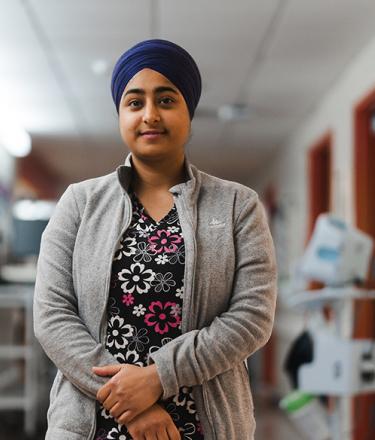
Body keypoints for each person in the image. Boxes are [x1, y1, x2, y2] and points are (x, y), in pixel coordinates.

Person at [33, 39, 277, 440]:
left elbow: (251, 317)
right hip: (91, 423)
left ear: (189, 112)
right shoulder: (79, 203)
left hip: (203, 426)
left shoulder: (237, 206)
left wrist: (157, 378)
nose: (150, 115)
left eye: (166, 100)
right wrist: (127, 401)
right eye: (134, 102)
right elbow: (52, 314)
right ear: (120, 114)